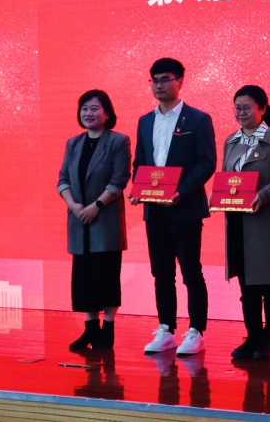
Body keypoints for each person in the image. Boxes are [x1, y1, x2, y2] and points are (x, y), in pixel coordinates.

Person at [130, 58, 217, 355]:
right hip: (155, 208)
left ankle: (196, 331)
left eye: (165, 79)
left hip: (185, 206)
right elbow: (140, 163)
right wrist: (137, 188)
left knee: (191, 271)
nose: (159, 85)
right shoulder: (145, 121)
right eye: (154, 80)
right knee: (161, 272)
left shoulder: (198, 119)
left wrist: (181, 191)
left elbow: (206, 163)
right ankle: (166, 329)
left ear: (180, 81)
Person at [223, 85, 270, 361]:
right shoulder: (231, 141)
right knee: (247, 284)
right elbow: (226, 179)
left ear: (262, 109)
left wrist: (263, 195)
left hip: (266, 220)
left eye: (247, 108)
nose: (240, 113)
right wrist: (218, 195)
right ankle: (252, 336)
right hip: (238, 221)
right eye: (237, 108)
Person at [58, 90, 131, 351]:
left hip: (105, 218)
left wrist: (96, 205)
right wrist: (74, 205)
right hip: (79, 219)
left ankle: (108, 329)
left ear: (107, 113)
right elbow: (63, 180)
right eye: (84, 108)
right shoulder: (73, 143)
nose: (88, 113)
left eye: (94, 108)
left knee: (107, 275)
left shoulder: (118, 141)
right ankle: (91, 328)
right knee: (84, 277)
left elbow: (119, 180)